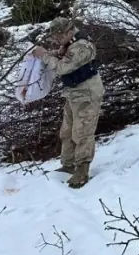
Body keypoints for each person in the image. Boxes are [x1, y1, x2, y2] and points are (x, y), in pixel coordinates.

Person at [32, 17, 104, 188]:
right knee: (67, 131)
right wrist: (56, 53)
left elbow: (62, 68)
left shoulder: (81, 46)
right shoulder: (71, 42)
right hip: (73, 93)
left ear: (68, 31)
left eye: (58, 36)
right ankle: (68, 164)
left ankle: (82, 170)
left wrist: (45, 55)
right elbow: (64, 58)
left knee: (83, 132)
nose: (56, 40)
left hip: (86, 94)